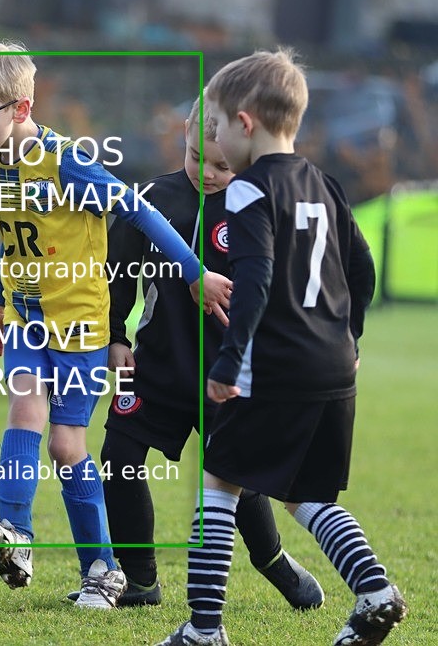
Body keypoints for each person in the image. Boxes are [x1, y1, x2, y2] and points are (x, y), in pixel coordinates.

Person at [0, 41, 232, 610]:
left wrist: (196, 272)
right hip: (28, 321)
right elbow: (16, 245)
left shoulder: (66, 163)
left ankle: (102, 570)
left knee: (65, 444)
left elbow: (141, 211)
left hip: (78, 330)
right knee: (24, 412)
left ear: (20, 110)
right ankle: (18, 539)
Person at [156, 50, 406, 646]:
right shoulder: (325, 183)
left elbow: (258, 278)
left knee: (217, 485)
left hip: (273, 366)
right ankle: (375, 593)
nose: (211, 138)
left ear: (245, 124)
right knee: (305, 495)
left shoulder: (246, 193)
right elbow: (362, 267)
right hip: (333, 368)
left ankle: (204, 630)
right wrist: (351, 336)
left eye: (214, 125)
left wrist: (229, 357)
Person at [92, 97, 324, 609]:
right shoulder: (149, 199)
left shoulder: (260, 209)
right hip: (154, 367)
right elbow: (114, 276)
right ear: (185, 138)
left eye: (223, 164)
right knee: (119, 458)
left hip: (230, 373)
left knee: (236, 480)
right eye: (198, 157)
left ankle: (275, 564)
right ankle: (142, 580)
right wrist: (115, 337)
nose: (208, 173)